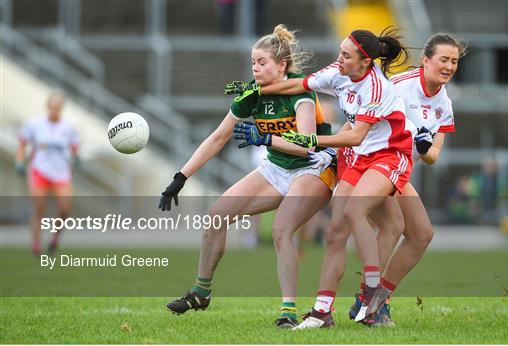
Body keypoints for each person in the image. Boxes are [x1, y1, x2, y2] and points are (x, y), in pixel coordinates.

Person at [226, 27, 413, 328]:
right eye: (340, 51)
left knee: (355, 211)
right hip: (356, 156)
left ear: (365, 62)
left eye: (346, 55)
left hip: (387, 155)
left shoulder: (377, 89)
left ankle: (373, 290)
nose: (339, 59)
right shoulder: (338, 71)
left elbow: (354, 136)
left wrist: (310, 141)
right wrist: (257, 90)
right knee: (335, 233)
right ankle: (322, 312)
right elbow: (297, 85)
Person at [159, 24, 336, 329]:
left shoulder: (300, 91)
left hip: (313, 168)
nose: (255, 68)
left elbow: (307, 145)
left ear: (282, 65)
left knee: (281, 229)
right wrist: (181, 176)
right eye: (253, 62)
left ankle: (288, 311)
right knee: (217, 215)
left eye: (262, 62)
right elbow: (218, 137)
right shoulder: (252, 94)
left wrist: (265, 139)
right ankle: (201, 291)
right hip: (276, 168)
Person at [347, 33, 468, 326]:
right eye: (444, 59)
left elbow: (434, 154)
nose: (449, 66)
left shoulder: (444, 104)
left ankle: (376, 300)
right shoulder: (400, 85)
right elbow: (358, 115)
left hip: (397, 170)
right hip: (372, 161)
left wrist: (425, 147)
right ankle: (367, 301)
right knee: (393, 228)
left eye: (454, 61)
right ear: (425, 61)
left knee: (421, 234)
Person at [16, 91, 80, 257]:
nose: (55, 110)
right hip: (40, 170)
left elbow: (75, 147)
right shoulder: (35, 125)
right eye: (52, 106)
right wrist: (19, 162)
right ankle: (36, 242)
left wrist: (77, 158)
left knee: (65, 208)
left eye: (58, 107)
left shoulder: (68, 127)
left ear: (61, 108)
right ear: (48, 106)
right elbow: (22, 144)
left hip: (61, 172)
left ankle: (54, 238)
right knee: (39, 209)